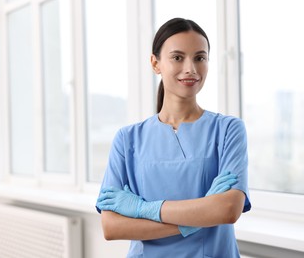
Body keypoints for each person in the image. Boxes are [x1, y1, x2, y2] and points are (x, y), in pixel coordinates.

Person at [96, 17, 251, 257]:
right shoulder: (127, 139)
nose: (191, 68)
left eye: (200, 57)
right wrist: (197, 217)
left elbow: (228, 209)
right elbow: (112, 226)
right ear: (155, 63)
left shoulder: (228, 130)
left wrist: (142, 209)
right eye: (178, 57)